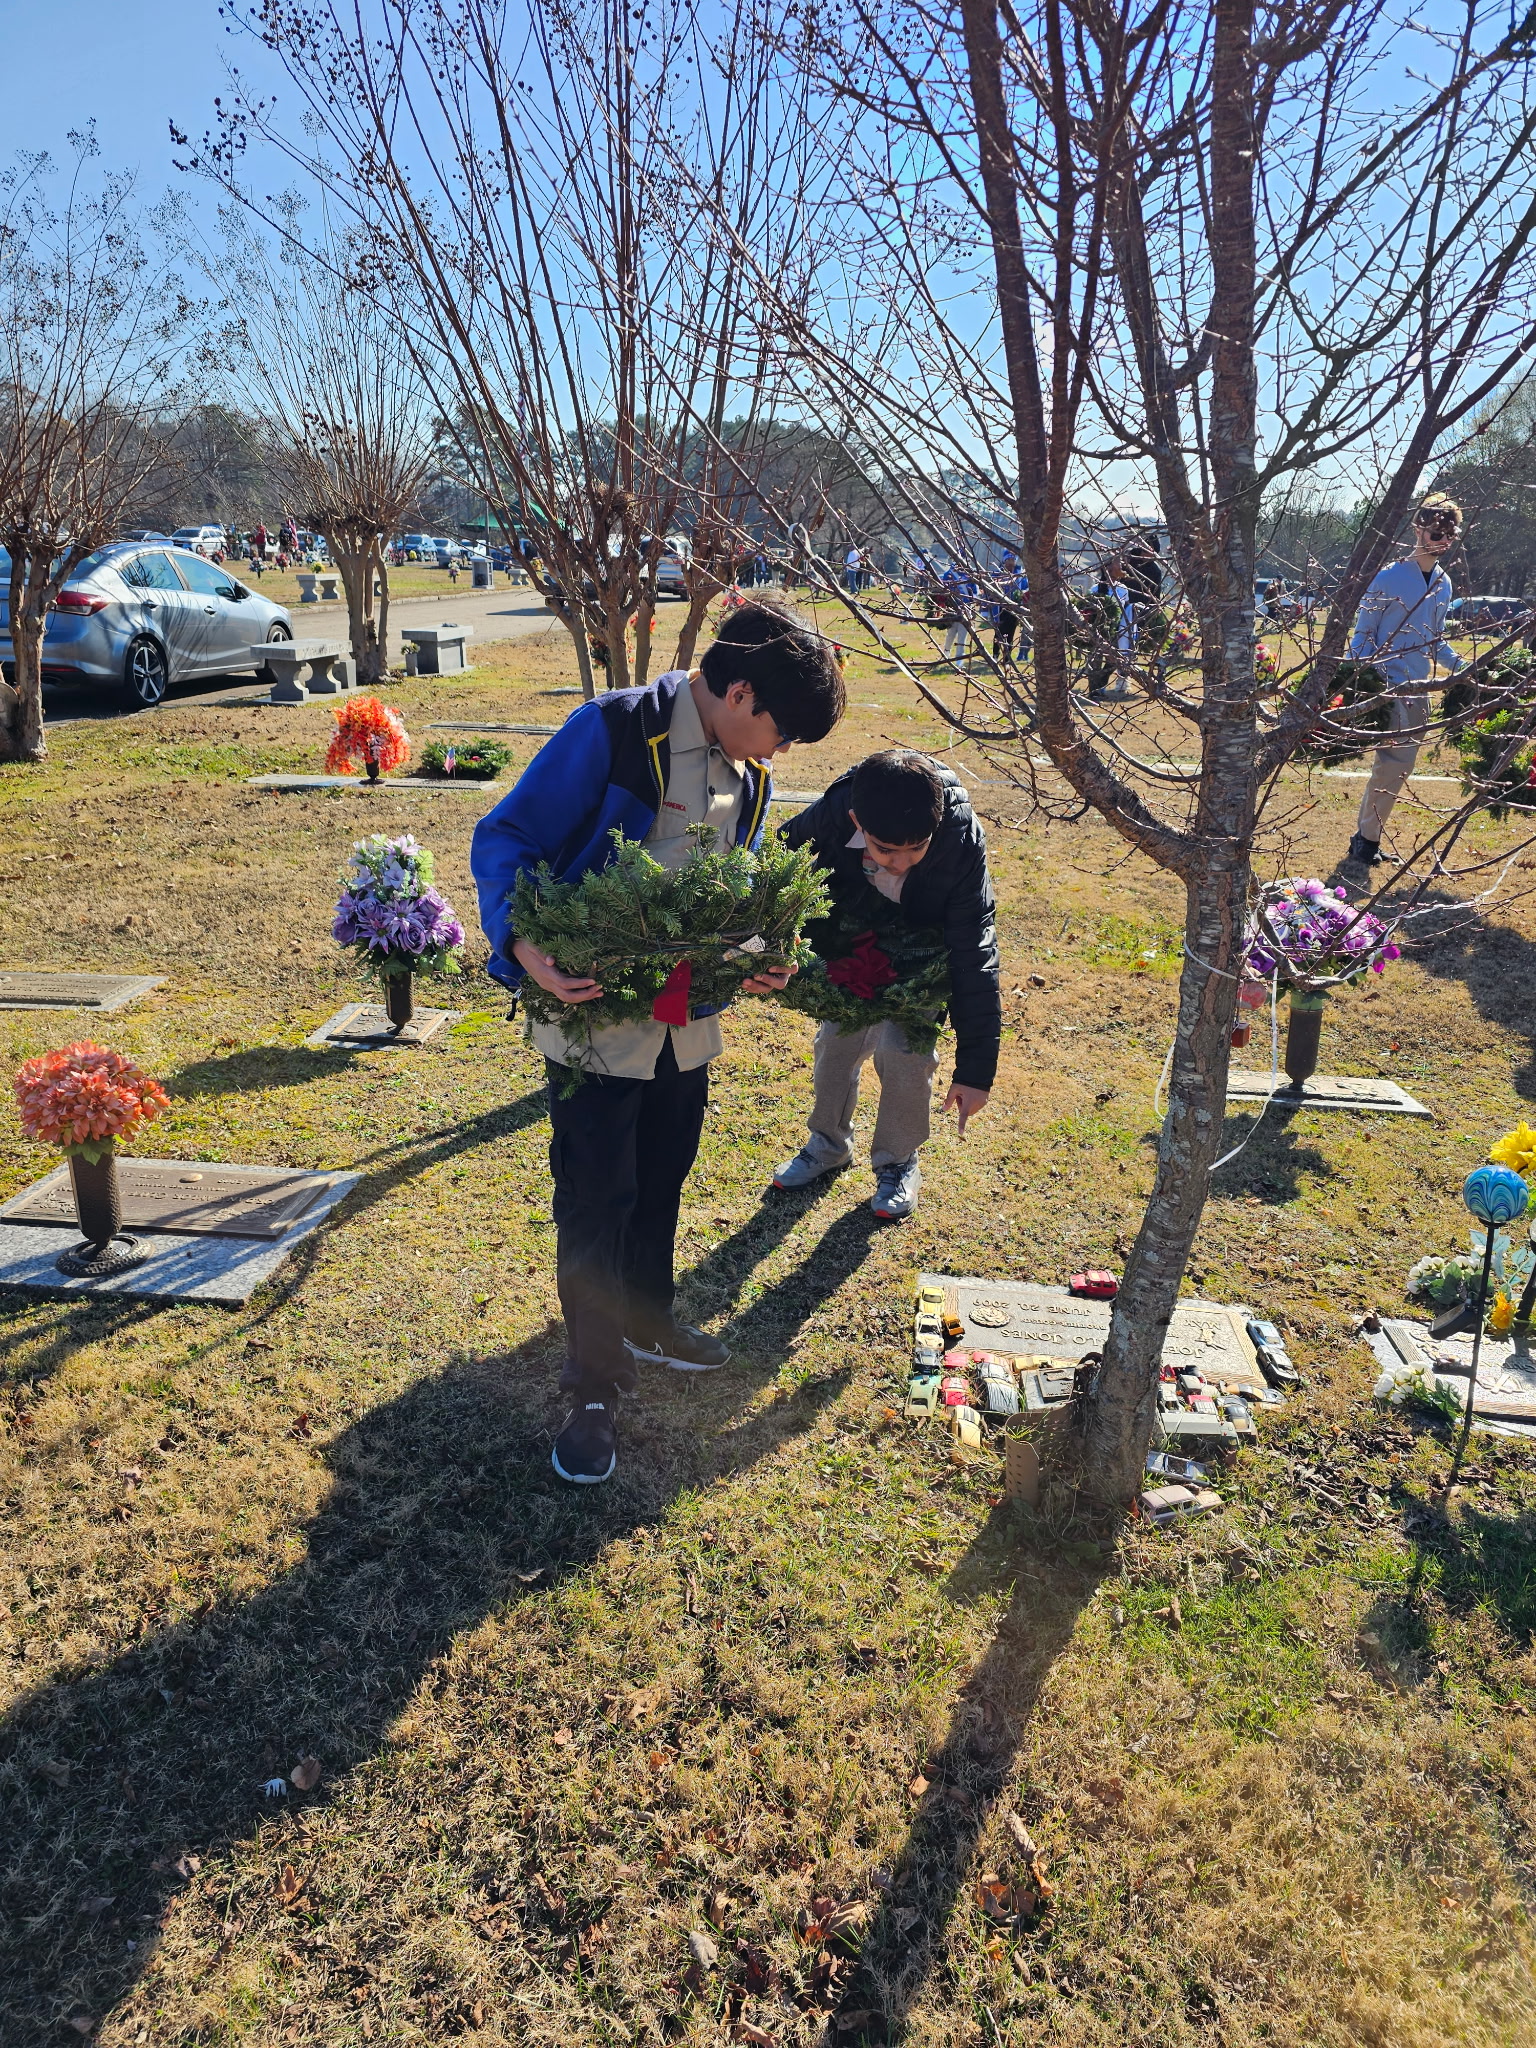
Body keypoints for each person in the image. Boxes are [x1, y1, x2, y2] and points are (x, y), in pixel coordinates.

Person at [470, 600, 847, 1486]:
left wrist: (754, 954)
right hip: (595, 1024)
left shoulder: (748, 776)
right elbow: (507, 837)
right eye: (781, 730)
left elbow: (729, 888)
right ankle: (592, 1387)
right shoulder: (611, 733)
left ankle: (648, 1318)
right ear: (739, 689)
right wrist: (523, 947)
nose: (781, 752)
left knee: (663, 1178)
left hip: (686, 1030)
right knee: (597, 1200)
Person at [771, 749, 1000, 1221]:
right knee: (836, 1042)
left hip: (928, 950)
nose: (899, 863)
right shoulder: (831, 817)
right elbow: (778, 869)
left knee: (904, 1054)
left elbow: (973, 950)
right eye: (884, 850)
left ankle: (898, 1161)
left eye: (916, 851)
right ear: (857, 821)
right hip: (857, 940)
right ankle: (828, 1144)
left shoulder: (959, 845)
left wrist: (976, 1071)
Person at [1336, 493, 1466, 889]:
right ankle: (1365, 841)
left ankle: (1367, 837)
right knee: (1391, 764)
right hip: (1388, 686)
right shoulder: (1389, 577)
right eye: (1433, 530)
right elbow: (1363, 635)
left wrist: (1465, 668)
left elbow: (1436, 641)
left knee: (1399, 766)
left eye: (1447, 532)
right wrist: (1364, 683)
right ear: (1418, 528)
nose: (1440, 538)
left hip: (1420, 687)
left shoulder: (1443, 583)